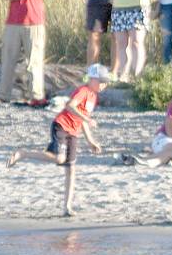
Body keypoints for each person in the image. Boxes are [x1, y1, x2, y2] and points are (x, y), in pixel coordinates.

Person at [7, 63, 107, 217]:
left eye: (105, 82)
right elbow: (70, 106)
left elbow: (83, 120)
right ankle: (24, 154)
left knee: (71, 168)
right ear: (92, 79)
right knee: (60, 158)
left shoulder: (94, 97)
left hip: (74, 131)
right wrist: (86, 118)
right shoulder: (84, 91)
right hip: (61, 125)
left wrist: (90, 141)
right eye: (101, 81)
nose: (103, 85)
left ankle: (67, 207)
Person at [0, 0, 46, 105]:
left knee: (34, 61)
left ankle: (36, 95)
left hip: (34, 22)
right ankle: (3, 94)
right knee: (8, 60)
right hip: (13, 22)